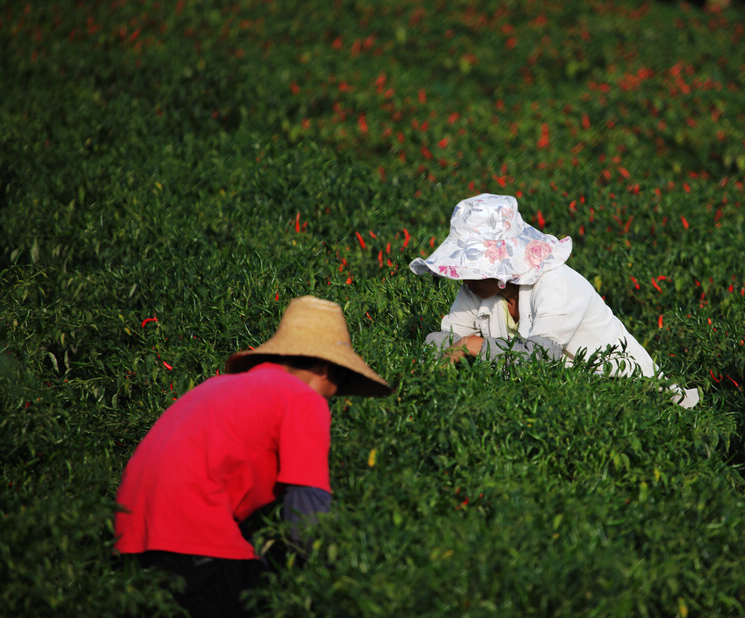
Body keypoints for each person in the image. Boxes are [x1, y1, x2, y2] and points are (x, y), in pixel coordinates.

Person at [113, 296, 391, 617]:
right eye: (340, 381)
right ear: (327, 369)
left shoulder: (218, 386)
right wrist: (336, 578)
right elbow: (306, 514)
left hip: (131, 538)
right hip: (196, 539)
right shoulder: (302, 399)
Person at [409, 193, 700, 408]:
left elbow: (538, 359)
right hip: (562, 398)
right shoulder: (477, 288)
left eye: (472, 268)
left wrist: (473, 346)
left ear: (502, 266)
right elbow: (447, 339)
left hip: (630, 395)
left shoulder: (558, 284)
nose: (464, 279)